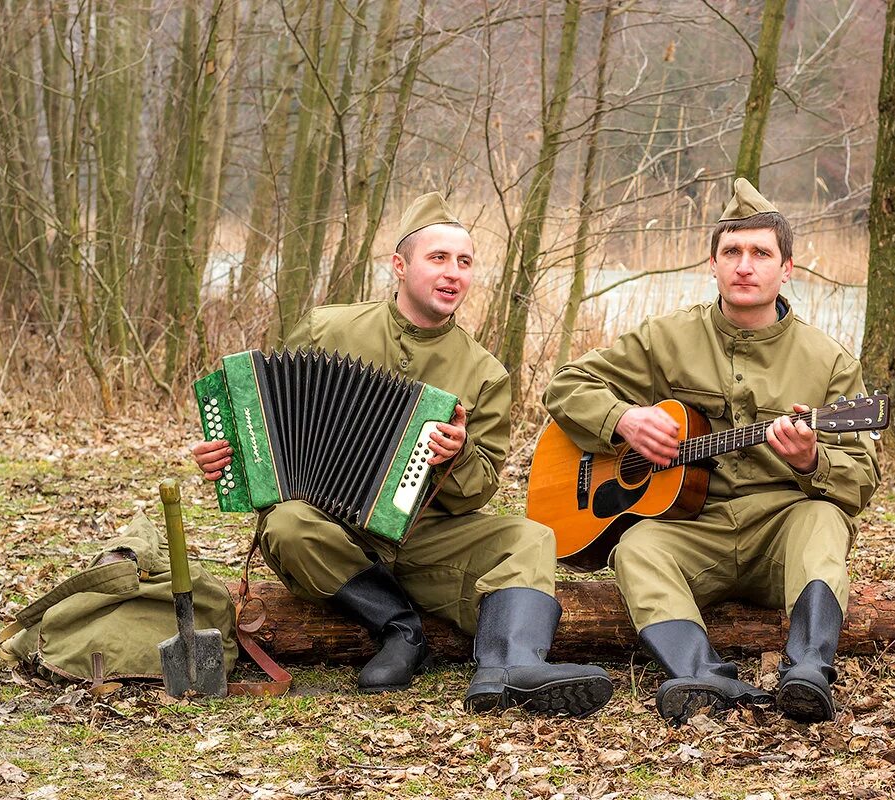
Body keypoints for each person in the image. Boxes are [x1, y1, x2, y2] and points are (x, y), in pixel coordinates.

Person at [191, 192, 613, 716]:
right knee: (286, 523)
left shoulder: (485, 372)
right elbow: (267, 415)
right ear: (399, 265)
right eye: (438, 258)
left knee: (530, 537)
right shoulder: (328, 329)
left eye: (464, 262)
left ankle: (510, 668)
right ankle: (401, 629)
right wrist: (229, 456)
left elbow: (478, 490)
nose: (453, 273)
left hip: (425, 535)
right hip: (332, 535)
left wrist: (457, 455)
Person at [542, 179, 880, 725]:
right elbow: (566, 386)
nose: (745, 266)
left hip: (783, 531)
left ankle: (808, 670)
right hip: (694, 529)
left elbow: (861, 477)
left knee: (823, 520)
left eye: (761, 253)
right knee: (636, 547)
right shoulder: (666, 338)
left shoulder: (829, 361)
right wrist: (624, 420)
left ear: (787, 269)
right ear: (713, 264)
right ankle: (700, 675)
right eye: (732, 252)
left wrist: (810, 461)